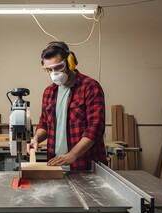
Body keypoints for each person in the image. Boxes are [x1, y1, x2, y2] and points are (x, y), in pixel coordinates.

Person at [27, 41, 106, 171]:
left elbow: (95, 128)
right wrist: (36, 138)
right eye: (50, 69)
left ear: (70, 63)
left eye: (58, 67)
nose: (54, 73)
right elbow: (44, 124)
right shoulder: (49, 92)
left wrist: (72, 155)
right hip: (56, 164)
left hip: (84, 165)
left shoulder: (90, 87)